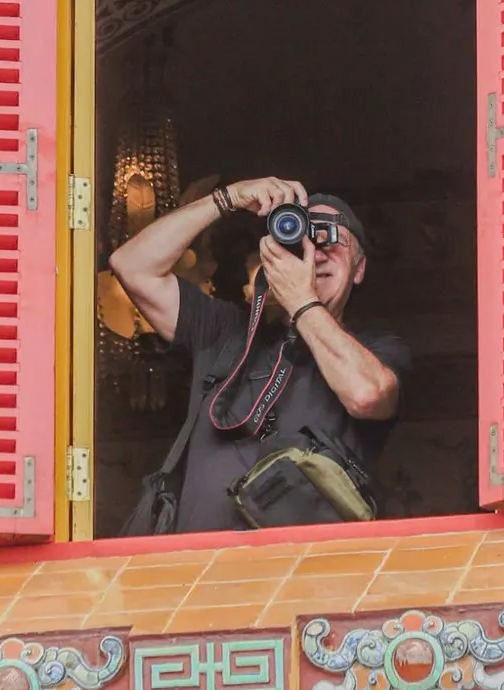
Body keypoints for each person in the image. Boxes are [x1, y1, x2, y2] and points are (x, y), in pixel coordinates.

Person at [109, 176, 408, 534]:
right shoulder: (225, 330)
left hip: (309, 576)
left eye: (333, 239)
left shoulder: (379, 350)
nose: (317, 251)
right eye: (305, 238)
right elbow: (131, 266)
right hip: (196, 573)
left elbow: (367, 394)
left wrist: (301, 300)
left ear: (359, 269)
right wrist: (228, 198)